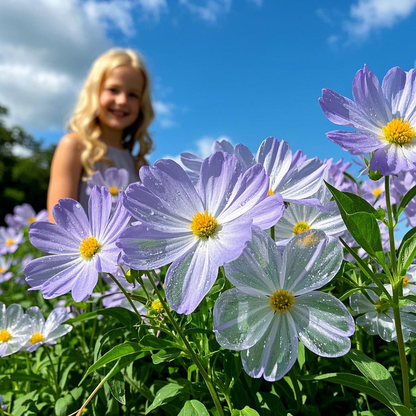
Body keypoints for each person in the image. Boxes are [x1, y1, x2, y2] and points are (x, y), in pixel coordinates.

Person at [47, 48, 154, 222]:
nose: (122, 101)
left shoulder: (139, 163)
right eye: (113, 90)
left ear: (142, 103)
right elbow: (58, 222)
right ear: (94, 93)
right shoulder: (73, 146)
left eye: (133, 94)